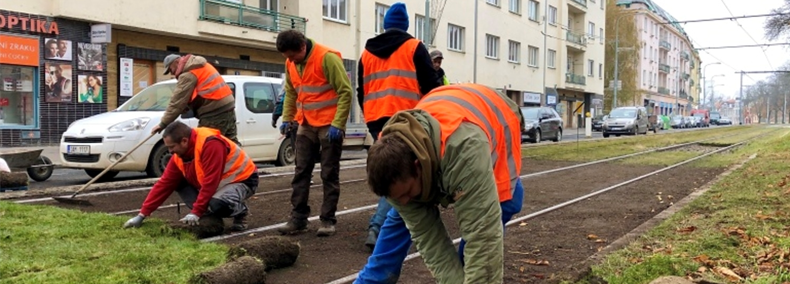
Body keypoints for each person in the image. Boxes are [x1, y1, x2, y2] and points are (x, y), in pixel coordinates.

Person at [355, 83, 525, 284]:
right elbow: (431, 241)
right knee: (403, 216)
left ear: (418, 166)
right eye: (397, 197)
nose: (404, 201)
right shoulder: (391, 156)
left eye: (407, 192)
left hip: (496, 117)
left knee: (501, 203)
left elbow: (482, 235)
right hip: (445, 109)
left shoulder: (465, 151)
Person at [356, 2, 441, 250]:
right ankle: (378, 226)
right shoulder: (414, 47)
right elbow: (430, 85)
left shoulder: (366, 53)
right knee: (401, 171)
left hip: (376, 118)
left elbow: (362, 90)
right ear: (405, 26)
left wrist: (370, 115)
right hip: (406, 119)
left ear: (385, 25)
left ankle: (386, 223)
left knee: (390, 167)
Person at [275, 29, 352, 237]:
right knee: (301, 171)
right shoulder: (291, 62)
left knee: (329, 172)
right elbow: (292, 92)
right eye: (287, 58)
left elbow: (345, 92)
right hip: (306, 123)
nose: (290, 60)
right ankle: (298, 218)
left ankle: (327, 220)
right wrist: (287, 117)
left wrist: (338, 123)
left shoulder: (327, 58)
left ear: (302, 47)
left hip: (329, 125)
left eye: (292, 56)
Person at [123, 121, 259, 231]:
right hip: (217, 185)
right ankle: (209, 218)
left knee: (218, 204)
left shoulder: (210, 144)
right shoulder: (179, 155)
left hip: (242, 180)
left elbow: (210, 181)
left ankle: (241, 211)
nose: (170, 152)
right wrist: (142, 215)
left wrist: (196, 212)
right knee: (178, 182)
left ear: (184, 141)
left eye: (172, 147)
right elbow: (164, 184)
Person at [150, 53, 239, 145]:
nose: (171, 73)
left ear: (177, 62)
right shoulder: (201, 65)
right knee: (231, 145)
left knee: (204, 145)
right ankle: (242, 159)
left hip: (214, 113)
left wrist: (163, 124)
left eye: (170, 69)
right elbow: (199, 92)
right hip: (228, 107)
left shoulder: (188, 74)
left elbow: (177, 102)